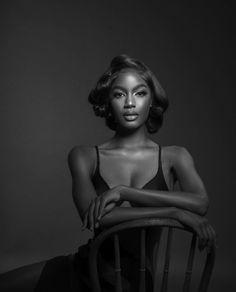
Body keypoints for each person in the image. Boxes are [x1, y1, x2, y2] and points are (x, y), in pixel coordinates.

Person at [0, 54, 216, 291]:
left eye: (140, 93)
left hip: (135, 281)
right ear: (108, 104)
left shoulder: (175, 156)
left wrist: (124, 192)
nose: (130, 103)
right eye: (119, 94)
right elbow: (96, 218)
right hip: (85, 269)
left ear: (152, 100)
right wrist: (174, 212)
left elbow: (200, 202)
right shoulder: (84, 156)